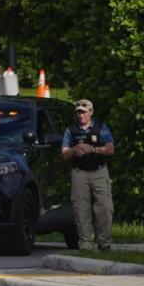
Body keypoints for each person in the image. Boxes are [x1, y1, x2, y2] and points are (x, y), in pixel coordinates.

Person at [61, 99, 115, 250]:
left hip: (99, 170)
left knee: (104, 207)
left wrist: (92, 149)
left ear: (91, 112)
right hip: (79, 173)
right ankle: (86, 243)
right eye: (78, 112)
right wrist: (77, 148)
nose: (81, 115)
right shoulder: (71, 131)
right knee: (81, 208)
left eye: (84, 112)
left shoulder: (100, 128)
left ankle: (104, 242)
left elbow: (110, 149)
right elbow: (65, 153)